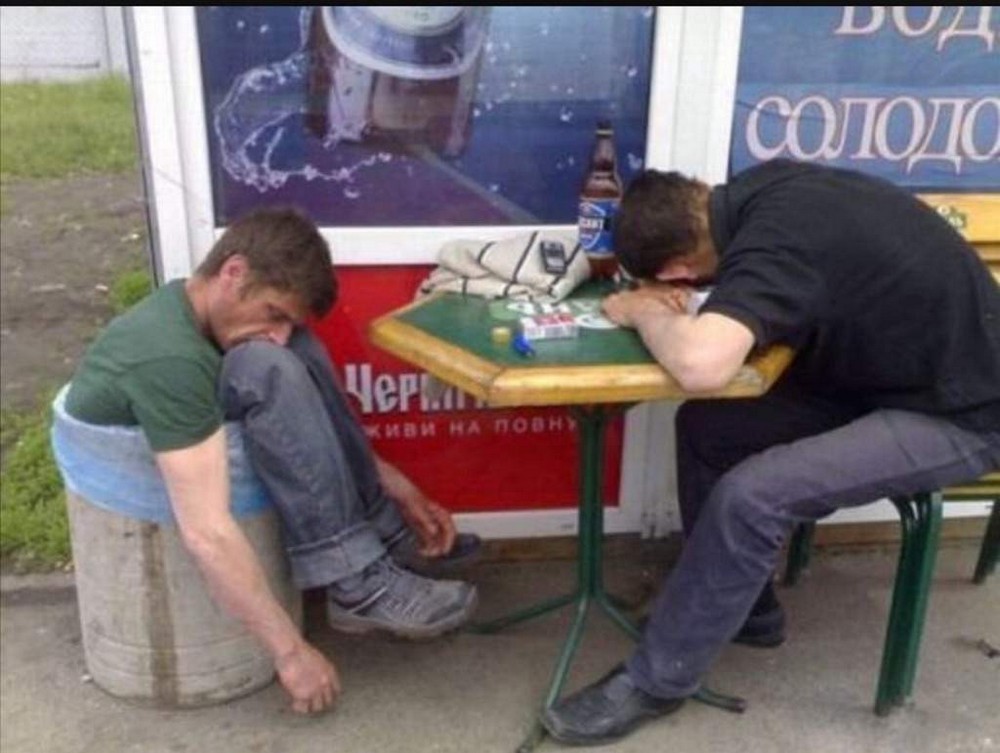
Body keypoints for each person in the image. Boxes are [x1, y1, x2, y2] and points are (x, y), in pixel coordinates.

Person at [540, 159, 1000, 745]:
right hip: (881, 378)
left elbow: (701, 365)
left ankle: (658, 680)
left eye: (674, 285)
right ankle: (749, 612)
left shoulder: (774, 247)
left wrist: (644, 310)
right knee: (707, 429)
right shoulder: (763, 191)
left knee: (753, 496)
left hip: (961, 411)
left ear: (678, 270)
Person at [63, 206, 481, 715]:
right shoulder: (167, 360)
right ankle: (354, 583)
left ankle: (380, 538)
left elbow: (289, 355)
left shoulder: (192, 307)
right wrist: (290, 654)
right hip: (141, 479)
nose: (278, 331)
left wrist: (395, 486)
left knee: (294, 351)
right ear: (233, 272)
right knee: (267, 365)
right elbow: (207, 531)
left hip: (181, 415)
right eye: (274, 313)